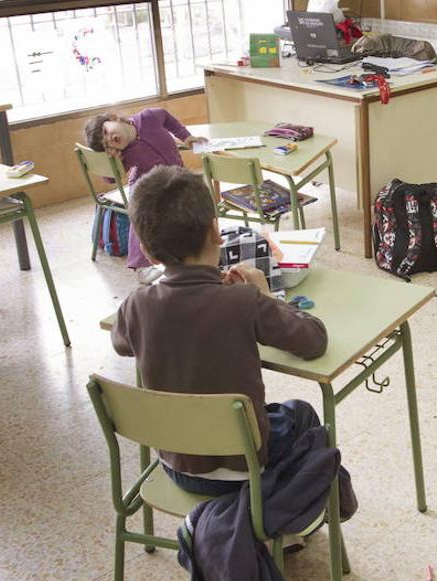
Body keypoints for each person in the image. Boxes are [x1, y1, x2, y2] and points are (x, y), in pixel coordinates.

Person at [110, 165, 327, 496]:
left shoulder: (136, 304)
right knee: (301, 414)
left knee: (243, 415)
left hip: (175, 463)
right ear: (215, 231)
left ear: (149, 251)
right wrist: (265, 295)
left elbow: (121, 344)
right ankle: (281, 512)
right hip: (244, 467)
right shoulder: (242, 301)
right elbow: (313, 341)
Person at [83, 108, 205, 284]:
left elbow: (167, 117)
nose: (110, 139)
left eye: (106, 132)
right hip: (146, 185)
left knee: (192, 202)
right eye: (107, 145)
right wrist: (115, 161)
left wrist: (186, 136)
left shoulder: (148, 118)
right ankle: (141, 266)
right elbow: (110, 178)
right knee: (139, 214)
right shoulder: (123, 153)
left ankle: (196, 247)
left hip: (176, 176)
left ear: (114, 118)